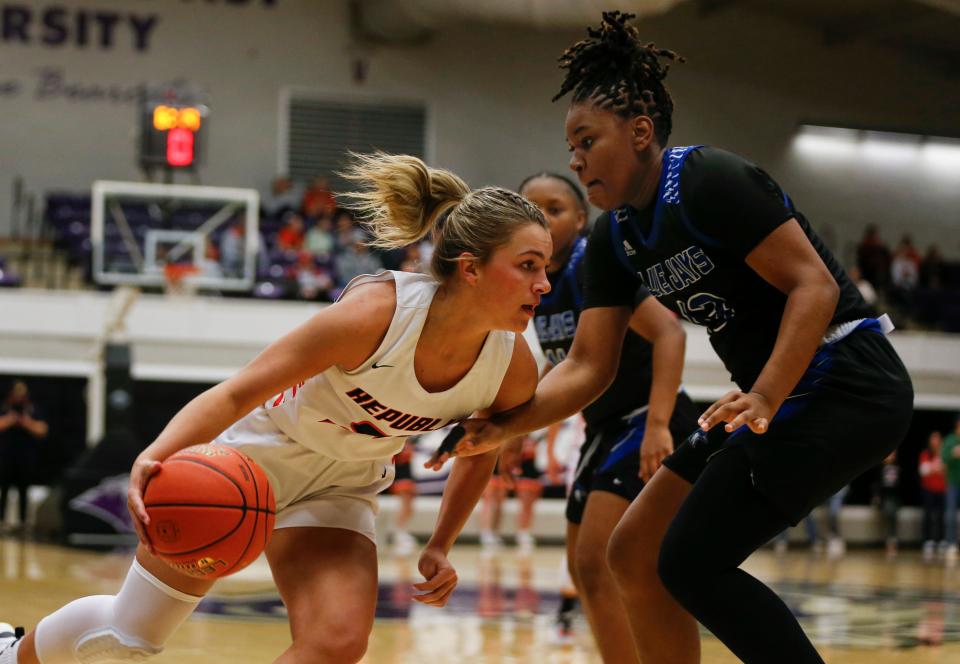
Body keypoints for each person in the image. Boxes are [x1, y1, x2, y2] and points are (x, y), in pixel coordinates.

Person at [431, 12, 914, 664]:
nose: (575, 157)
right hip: (776, 400)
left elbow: (816, 287)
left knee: (688, 561)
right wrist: (502, 427)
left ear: (639, 132)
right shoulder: (614, 236)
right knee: (631, 552)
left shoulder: (709, 179)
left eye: (586, 139)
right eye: (569, 144)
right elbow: (587, 367)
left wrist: (765, 395)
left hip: (847, 380)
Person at [0, 152, 552, 664]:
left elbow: (482, 447)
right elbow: (241, 391)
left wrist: (440, 544)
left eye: (546, 267)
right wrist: (158, 453)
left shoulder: (512, 367)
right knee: (126, 638)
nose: (544, 283)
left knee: (335, 643)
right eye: (528, 266)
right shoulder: (377, 315)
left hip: (343, 485)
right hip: (254, 460)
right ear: (471, 267)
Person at [512, 171, 697, 661]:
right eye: (531, 209)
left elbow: (671, 335)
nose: (543, 219)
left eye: (554, 209)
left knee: (599, 560)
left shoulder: (593, 262)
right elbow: (566, 360)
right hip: (604, 427)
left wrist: (658, 424)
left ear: (579, 218)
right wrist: (520, 427)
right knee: (582, 568)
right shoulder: (538, 281)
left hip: (646, 416)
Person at [0, 380, 49, 534]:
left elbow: (43, 430)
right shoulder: (4, 408)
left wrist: (25, 422)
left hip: (25, 458)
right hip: (6, 456)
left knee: (24, 490)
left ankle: (23, 523)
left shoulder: (32, 410)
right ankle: (2, 521)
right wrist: (10, 419)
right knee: (4, 490)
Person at [918, 430, 946, 560]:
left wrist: (934, 468)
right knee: (928, 515)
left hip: (942, 490)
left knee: (941, 516)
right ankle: (928, 540)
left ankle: (941, 540)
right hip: (928, 490)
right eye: (933, 439)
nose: (935, 442)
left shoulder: (944, 454)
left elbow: (946, 470)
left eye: (937, 439)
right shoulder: (925, 454)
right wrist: (935, 467)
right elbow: (923, 471)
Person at [942, 415, 960, 562]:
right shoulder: (950, 440)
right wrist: (953, 453)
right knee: (950, 514)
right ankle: (950, 543)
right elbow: (944, 457)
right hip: (953, 482)